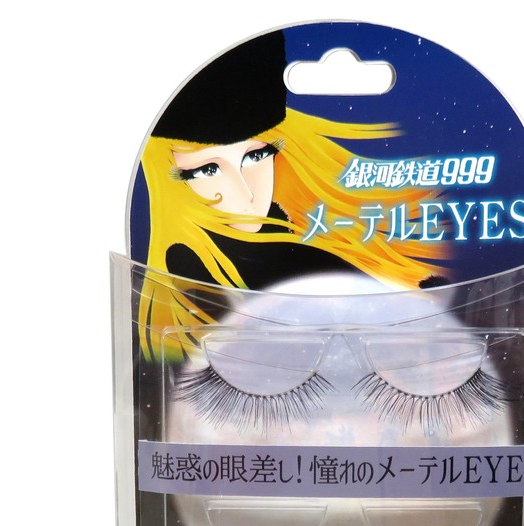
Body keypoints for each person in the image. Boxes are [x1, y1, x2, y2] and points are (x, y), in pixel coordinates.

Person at [136, 30, 449, 361]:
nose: (245, 193)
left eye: (256, 156)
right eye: (207, 170)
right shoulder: (188, 280)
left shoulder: (300, 256)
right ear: (164, 176)